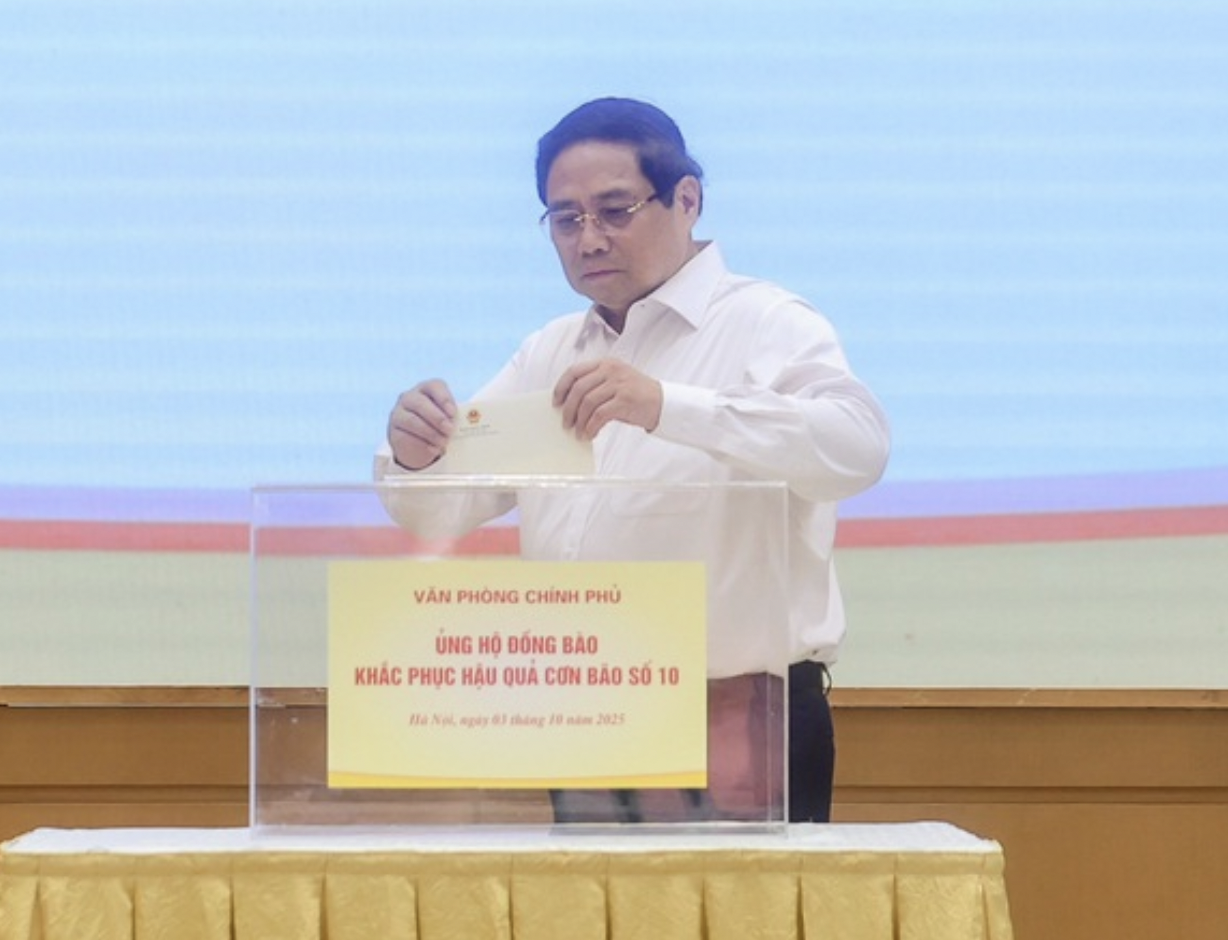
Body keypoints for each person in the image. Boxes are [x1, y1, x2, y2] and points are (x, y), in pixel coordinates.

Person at [376, 97, 890, 822]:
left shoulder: (765, 322)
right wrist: (415, 454)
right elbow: (438, 511)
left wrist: (667, 406)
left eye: (615, 211)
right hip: (590, 709)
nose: (589, 239)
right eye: (566, 219)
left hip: (737, 717)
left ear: (687, 200)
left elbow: (858, 447)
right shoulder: (551, 350)